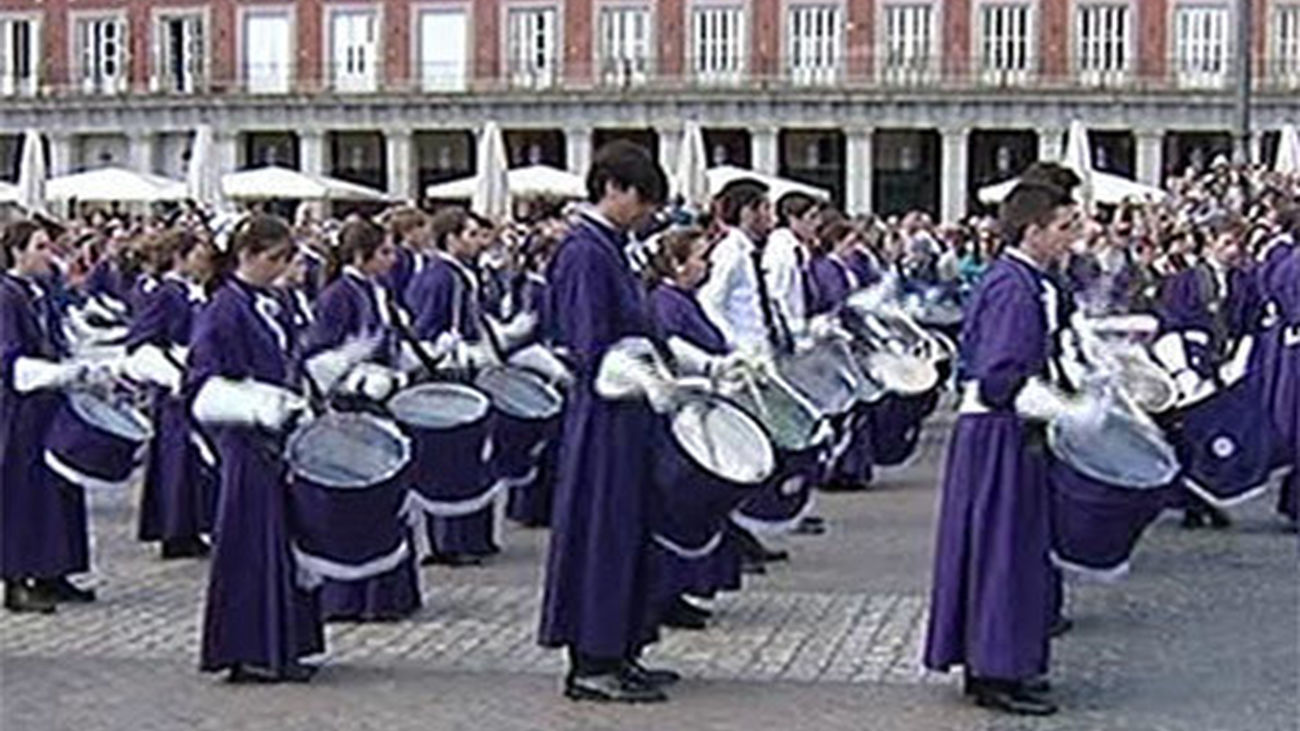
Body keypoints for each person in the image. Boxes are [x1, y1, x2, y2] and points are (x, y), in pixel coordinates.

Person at [924, 163, 1087, 716]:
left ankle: (997, 662)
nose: (1072, 235)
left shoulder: (1021, 280)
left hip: (1001, 431)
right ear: (1033, 230)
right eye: (1064, 225)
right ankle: (997, 669)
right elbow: (999, 379)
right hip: (999, 434)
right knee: (1003, 552)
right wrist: (1059, 405)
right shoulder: (1014, 288)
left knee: (1004, 550)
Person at [537, 140, 677, 703]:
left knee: (628, 531)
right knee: (603, 532)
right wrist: (640, 370)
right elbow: (589, 342)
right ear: (613, 188)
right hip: (604, 415)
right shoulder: (584, 252)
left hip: (628, 414)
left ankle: (620, 647)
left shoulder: (613, 247)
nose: (645, 214)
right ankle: (592, 659)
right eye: (641, 201)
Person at [188, 214, 324, 683]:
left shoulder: (271, 302)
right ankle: (250, 650)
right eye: (274, 258)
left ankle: (284, 643)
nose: (282, 267)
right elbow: (202, 384)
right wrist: (259, 406)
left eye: (287, 258)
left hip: (279, 437)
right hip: (247, 441)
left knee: (282, 541)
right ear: (246, 255)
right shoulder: (225, 308)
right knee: (250, 544)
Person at [303, 218, 421, 622]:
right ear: (360, 256)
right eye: (385, 251)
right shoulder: (338, 295)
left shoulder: (379, 290)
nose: (393, 259)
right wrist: (356, 373)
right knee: (355, 498)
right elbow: (318, 357)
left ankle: (386, 595)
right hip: (352, 405)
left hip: (382, 398)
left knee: (386, 497)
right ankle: (349, 597)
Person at [1, 220, 99, 614]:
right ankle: (16, 580)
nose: (49, 254)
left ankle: (54, 570)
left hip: (49, 405)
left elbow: (57, 341)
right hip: (20, 410)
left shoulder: (37, 292)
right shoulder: (6, 296)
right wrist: (60, 373)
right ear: (16, 252)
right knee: (22, 495)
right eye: (40, 246)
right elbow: (9, 360)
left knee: (58, 489)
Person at [404, 207, 501, 566]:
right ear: (451, 238)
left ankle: (474, 534)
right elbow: (425, 327)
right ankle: (449, 540)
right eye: (471, 235)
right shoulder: (439, 276)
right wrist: (444, 348)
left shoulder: (463, 273)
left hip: (468, 368)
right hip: (446, 374)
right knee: (449, 456)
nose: (478, 242)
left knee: (470, 454)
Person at [125, 228, 219, 560]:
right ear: (180, 257)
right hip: (176, 389)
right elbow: (143, 339)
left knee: (195, 462)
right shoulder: (167, 293)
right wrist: (173, 374)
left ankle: (192, 526)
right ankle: (175, 530)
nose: (204, 259)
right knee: (176, 461)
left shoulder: (199, 293)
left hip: (197, 383)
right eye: (197, 253)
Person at [762, 192, 819, 337]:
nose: (817, 223)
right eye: (811, 217)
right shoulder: (779, 249)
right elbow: (776, 294)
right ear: (792, 218)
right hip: (789, 330)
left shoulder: (800, 249)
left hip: (801, 327)